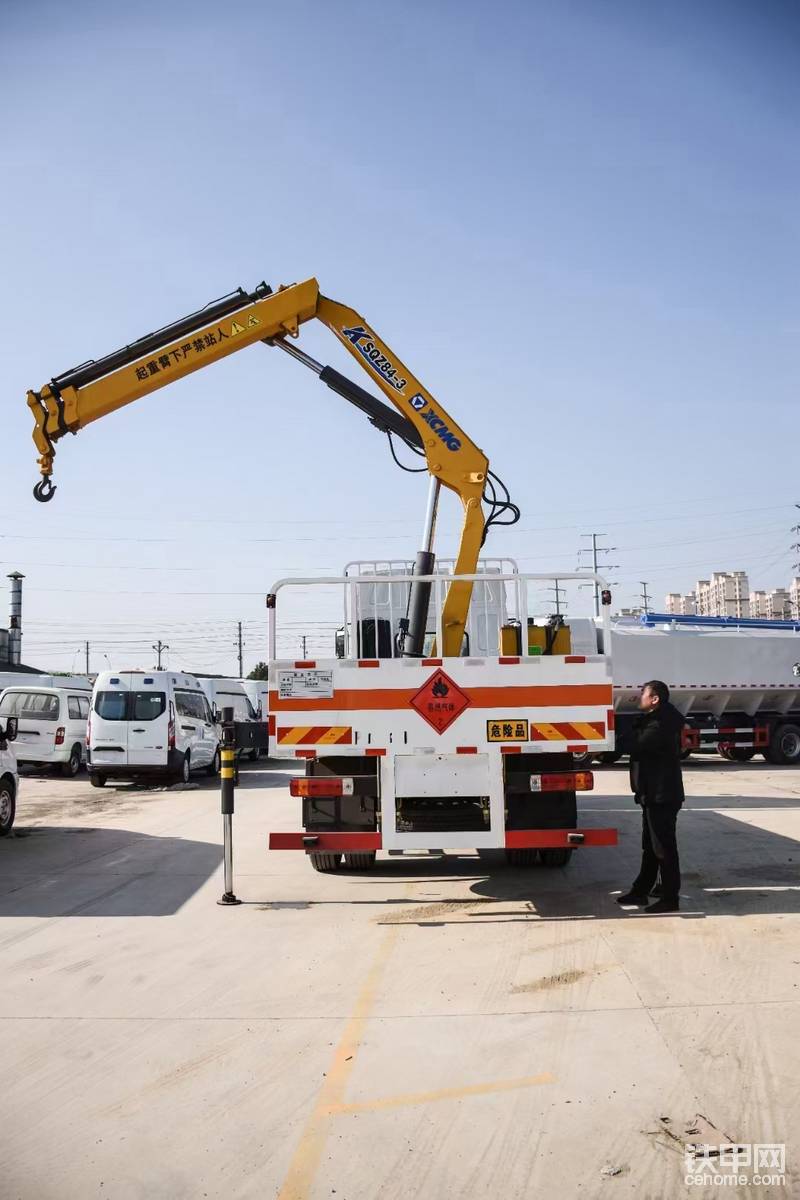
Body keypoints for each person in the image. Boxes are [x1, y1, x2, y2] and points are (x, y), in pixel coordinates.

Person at [617, 679, 685, 913]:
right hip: (653, 794)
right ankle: (641, 891)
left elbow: (632, 743)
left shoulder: (660, 725)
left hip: (662, 795)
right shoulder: (656, 720)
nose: (639, 698)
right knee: (651, 846)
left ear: (655, 699)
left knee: (663, 848)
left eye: (643, 694)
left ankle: (670, 898)